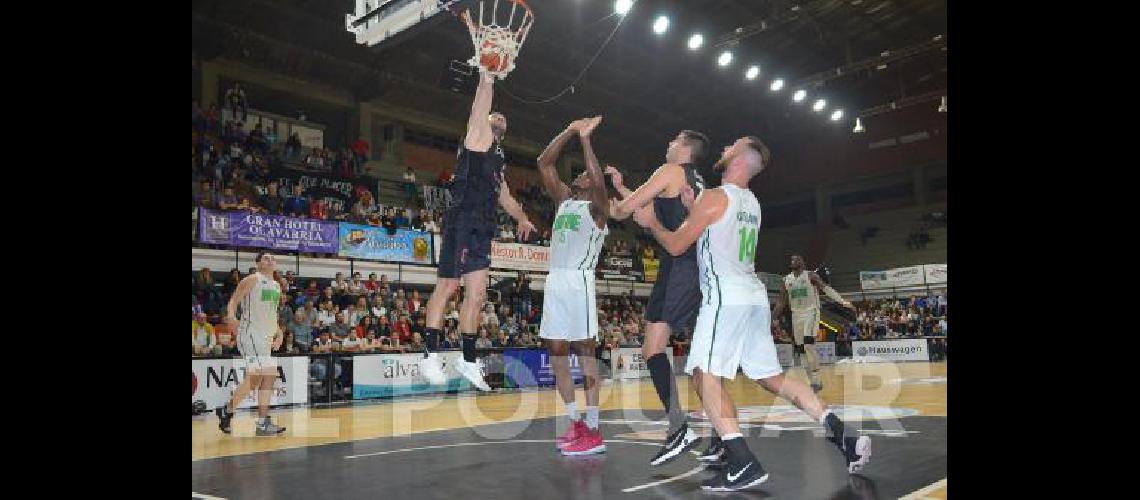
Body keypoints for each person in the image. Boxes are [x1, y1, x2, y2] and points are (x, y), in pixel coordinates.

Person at [631, 136, 870, 491]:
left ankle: (742, 460)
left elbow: (678, 244)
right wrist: (693, 204)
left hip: (725, 296)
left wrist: (652, 222)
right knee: (771, 377)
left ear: (740, 159)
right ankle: (843, 435)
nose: (725, 147)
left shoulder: (715, 199)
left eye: (732, 146)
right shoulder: (751, 203)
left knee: (704, 373)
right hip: (753, 296)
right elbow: (718, 229)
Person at [418, 19, 537, 391]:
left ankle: (468, 360)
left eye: (502, 117)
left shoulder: (497, 155)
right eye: (493, 114)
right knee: (448, 286)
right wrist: (487, 77)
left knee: (479, 294)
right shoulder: (476, 136)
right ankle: (430, 356)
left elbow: (503, 195)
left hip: (483, 225)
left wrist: (522, 217)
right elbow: (480, 107)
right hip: (463, 219)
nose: (497, 115)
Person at [606, 129, 711, 465]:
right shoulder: (699, 181)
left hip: (679, 265)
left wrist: (608, 200)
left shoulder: (669, 171)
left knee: (653, 348)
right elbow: (652, 207)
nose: (667, 144)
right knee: (701, 357)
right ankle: (721, 435)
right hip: (699, 267)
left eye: (672, 141)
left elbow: (626, 212)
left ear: (684, 149)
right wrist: (624, 189)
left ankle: (679, 428)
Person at [533, 116, 610, 455]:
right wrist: (570, 129)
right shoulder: (564, 200)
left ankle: (594, 428)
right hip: (555, 281)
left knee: (586, 354)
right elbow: (543, 162)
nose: (582, 174)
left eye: (588, 175)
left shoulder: (598, 209)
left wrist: (587, 141)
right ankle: (574, 421)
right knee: (558, 355)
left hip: (579, 282)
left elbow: (597, 178)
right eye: (580, 173)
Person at [215, 252, 287, 436]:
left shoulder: (277, 286)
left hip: (265, 337)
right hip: (251, 333)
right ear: (258, 263)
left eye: (272, 258)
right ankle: (262, 423)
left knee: (260, 378)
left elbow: (272, 315)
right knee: (265, 373)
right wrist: (231, 316)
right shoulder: (252, 279)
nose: (270, 260)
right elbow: (233, 301)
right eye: (265, 258)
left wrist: (279, 333)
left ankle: (228, 410)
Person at [771, 255, 855, 393]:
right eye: (791, 259)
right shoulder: (786, 280)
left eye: (796, 259)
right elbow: (781, 303)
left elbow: (825, 288)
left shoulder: (811, 276)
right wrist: (771, 318)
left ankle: (816, 378)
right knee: (801, 349)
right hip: (796, 315)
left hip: (811, 312)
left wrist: (842, 301)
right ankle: (814, 382)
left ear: (802, 262)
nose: (793, 260)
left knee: (808, 343)